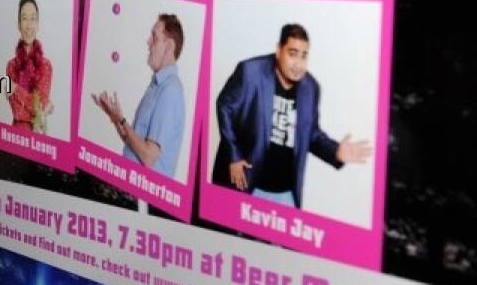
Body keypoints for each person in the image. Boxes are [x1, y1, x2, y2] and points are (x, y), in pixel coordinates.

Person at [210, 24, 371, 207]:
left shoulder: (311, 88)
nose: (299, 63)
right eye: (292, 53)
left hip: (285, 195)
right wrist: (234, 155)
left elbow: (311, 134)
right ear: (279, 50)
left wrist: (335, 152)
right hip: (247, 185)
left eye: (304, 55)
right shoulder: (250, 72)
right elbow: (225, 106)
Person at [91, 14, 187, 179]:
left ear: (169, 46)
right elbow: (134, 145)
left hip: (145, 199)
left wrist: (122, 121)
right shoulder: (157, 85)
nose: (148, 42)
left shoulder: (170, 90)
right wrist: (115, 118)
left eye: (154, 37)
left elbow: (149, 157)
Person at [7, 0, 53, 132]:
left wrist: (16, 90)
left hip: (37, 137)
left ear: (38, 24)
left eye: (33, 19)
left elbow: (38, 108)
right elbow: (17, 112)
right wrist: (38, 107)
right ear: (18, 24)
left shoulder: (45, 65)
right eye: (24, 18)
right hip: (14, 135)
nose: (28, 25)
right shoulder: (11, 65)